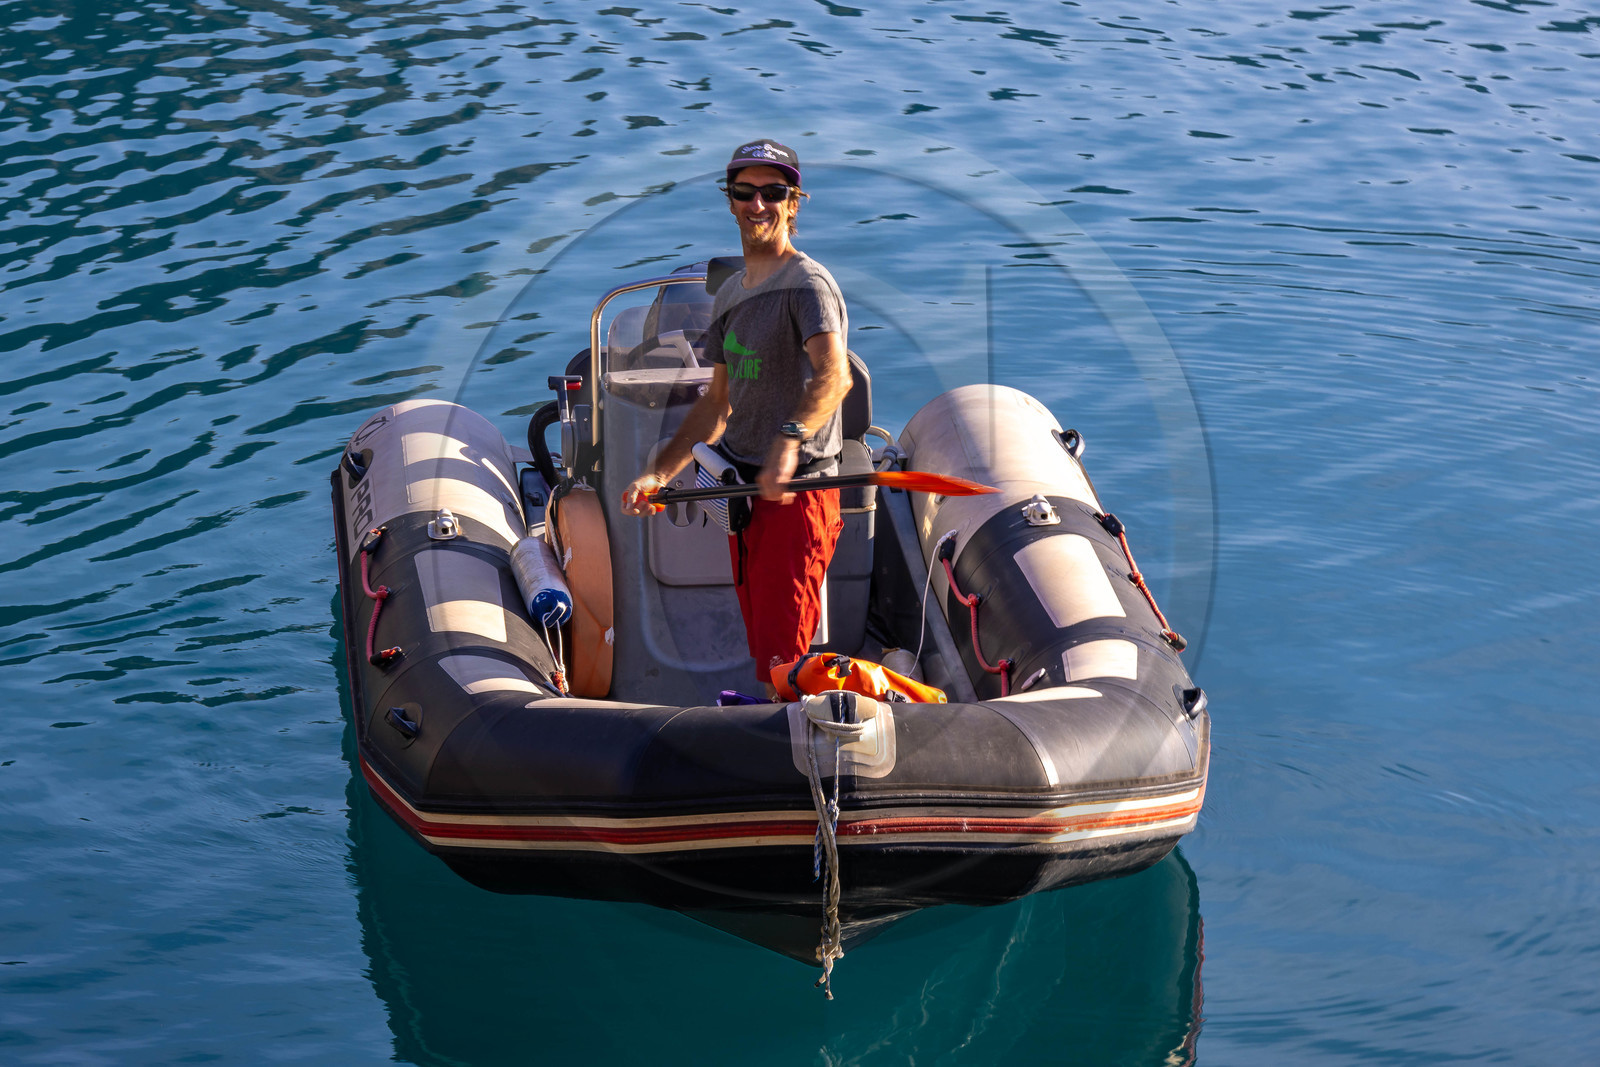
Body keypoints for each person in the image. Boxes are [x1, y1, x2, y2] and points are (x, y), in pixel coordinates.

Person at [620, 139, 851, 695]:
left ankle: (804, 767)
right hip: (743, 500)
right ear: (730, 201)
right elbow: (716, 405)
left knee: (786, 661)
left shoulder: (809, 286)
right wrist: (661, 473)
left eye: (773, 193)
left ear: (794, 202)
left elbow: (834, 376)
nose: (758, 205)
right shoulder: (730, 295)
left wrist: (789, 441)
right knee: (767, 650)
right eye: (745, 193)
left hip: (796, 500)